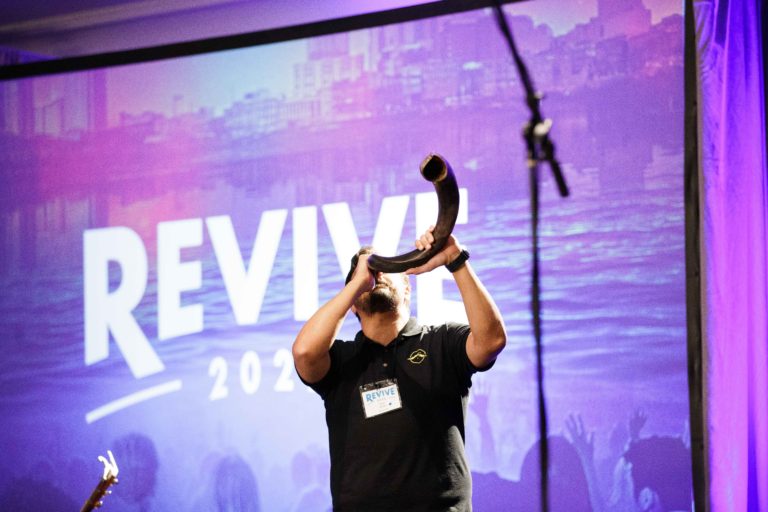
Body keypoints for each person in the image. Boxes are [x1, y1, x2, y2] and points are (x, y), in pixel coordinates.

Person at [292, 227, 507, 511]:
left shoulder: (441, 342)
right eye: (368, 271)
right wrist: (358, 284)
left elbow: (492, 341)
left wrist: (455, 259)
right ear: (352, 304)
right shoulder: (341, 360)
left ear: (407, 287)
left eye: (385, 266)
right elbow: (304, 353)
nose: (376, 274)